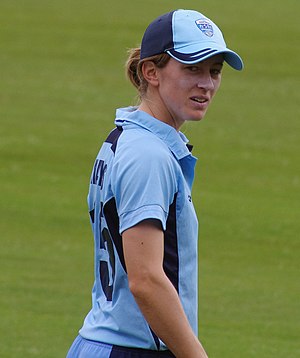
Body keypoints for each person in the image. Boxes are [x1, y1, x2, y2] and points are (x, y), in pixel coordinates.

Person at [66, 8, 243, 358]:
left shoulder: (125, 139)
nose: (206, 84)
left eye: (214, 71)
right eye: (192, 68)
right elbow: (145, 279)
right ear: (151, 72)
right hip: (130, 349)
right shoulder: (148, 155)